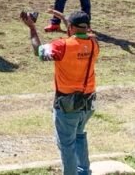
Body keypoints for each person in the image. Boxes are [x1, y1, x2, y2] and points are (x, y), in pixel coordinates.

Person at [20, 10, 98, 175]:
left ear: (71, 27)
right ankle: (84, 172)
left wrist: (32, 27)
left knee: (66, 145)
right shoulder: (94, 44)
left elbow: (39, 51)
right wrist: (66, 21)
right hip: (89, 102)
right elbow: (84, 34)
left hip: (68, 104)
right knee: (79, 135)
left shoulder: (62, 46)